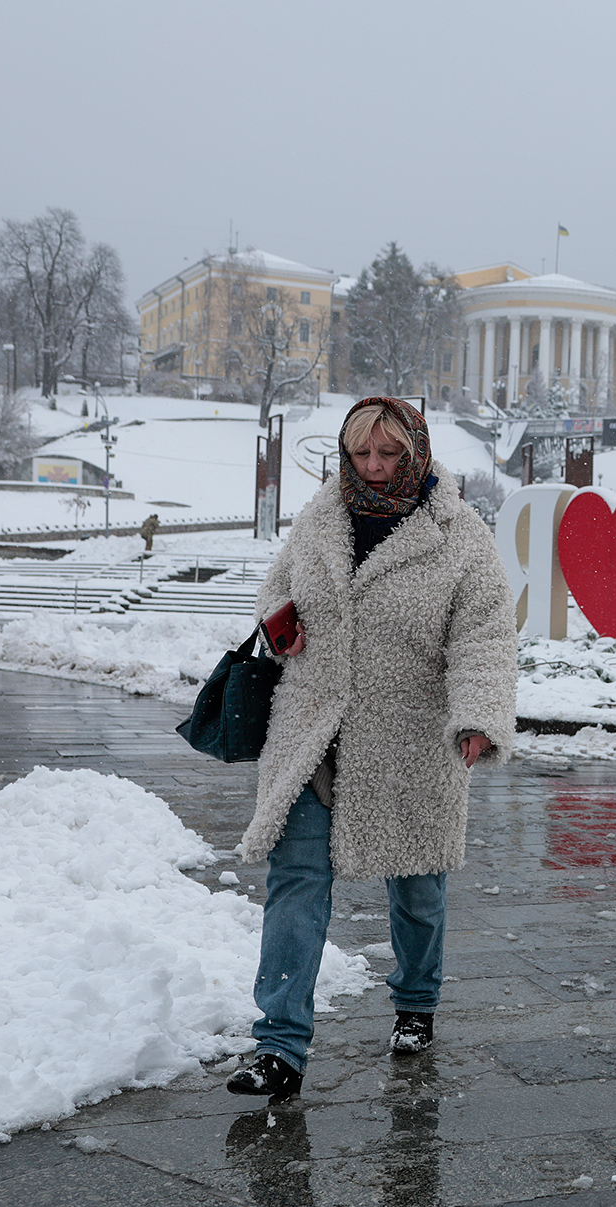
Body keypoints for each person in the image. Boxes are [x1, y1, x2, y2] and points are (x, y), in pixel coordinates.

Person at [226, 396, 517, 1101]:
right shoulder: (322, 515)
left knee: (417, 887)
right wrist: (279, 620)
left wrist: (477, 715)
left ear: (414, 452)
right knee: (296, 879)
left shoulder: (457, 532)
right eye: (362, 454)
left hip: (409, 736)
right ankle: (279, 1045)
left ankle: (416, 1001)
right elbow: (280, 583)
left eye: (388, 454)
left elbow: (483, 632)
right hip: (312, 729)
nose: (375, 468)